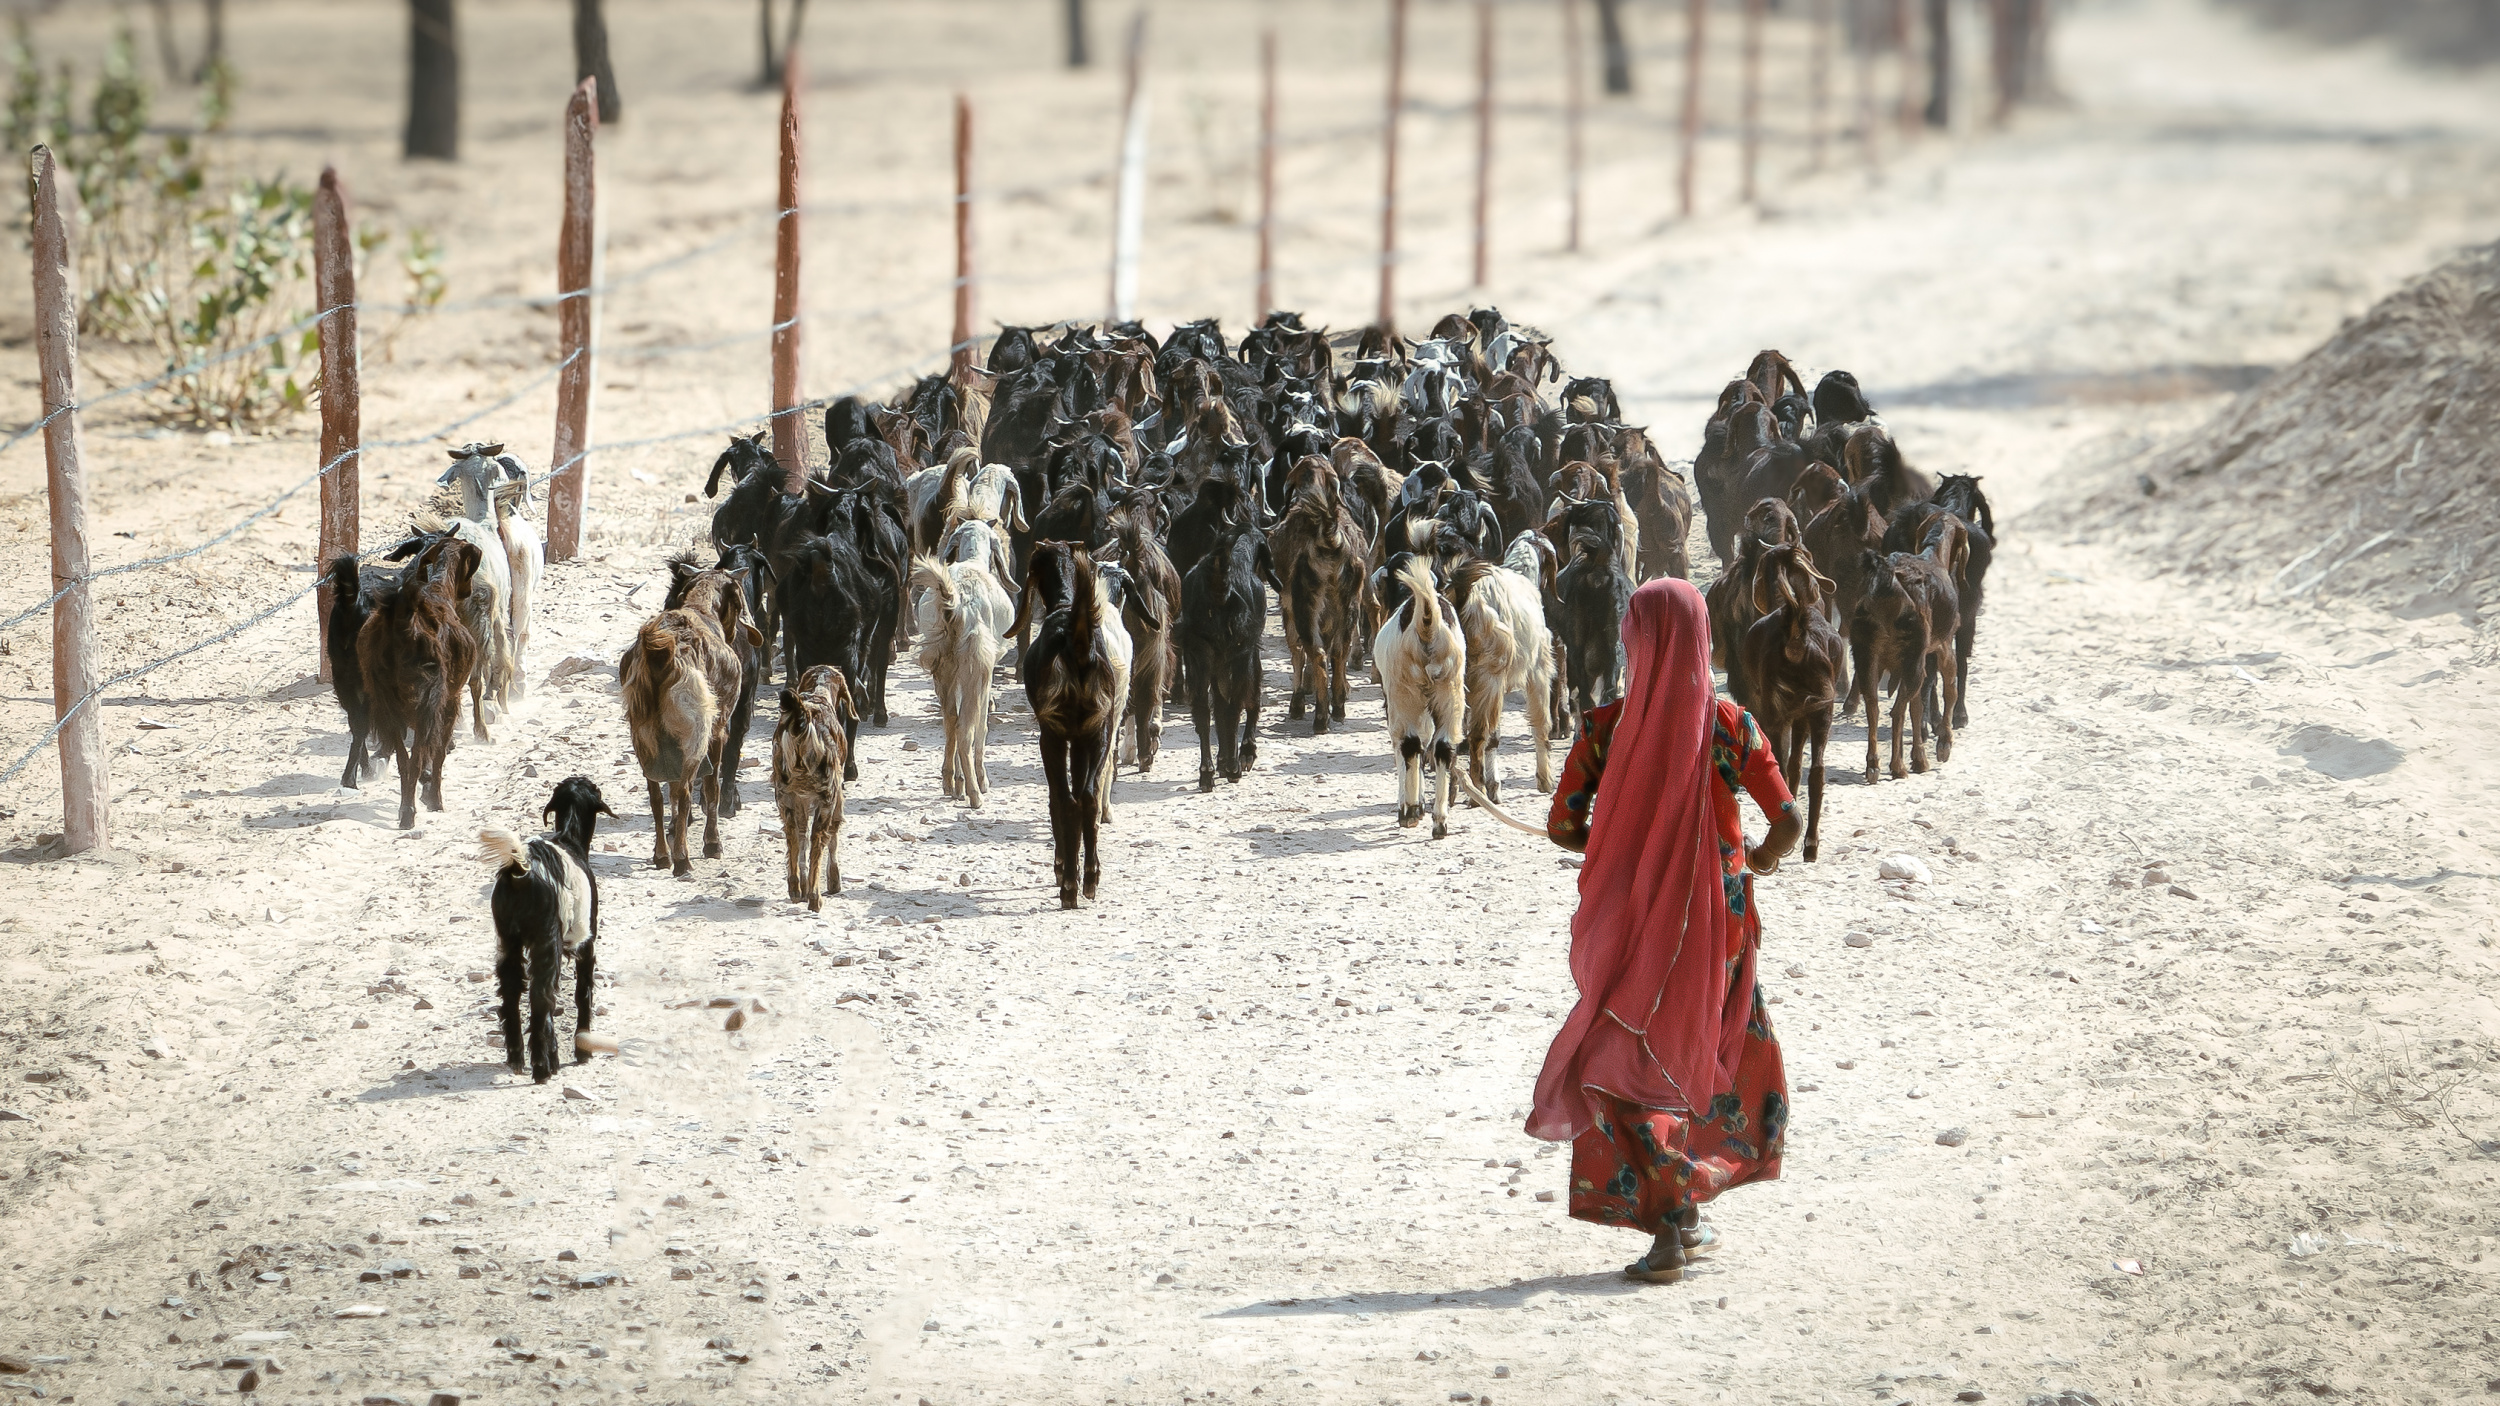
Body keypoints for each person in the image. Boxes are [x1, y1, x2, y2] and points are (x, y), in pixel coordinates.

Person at [1534, 577, 1804, 1283]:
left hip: (1636, 919)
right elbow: (1789, 820)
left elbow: (1563, 825)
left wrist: (1620, 848)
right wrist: (1758, 862)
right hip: (1723, 920)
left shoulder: (1605, 728)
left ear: (1637, 639)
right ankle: (1685, 1210)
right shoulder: (1730, 724)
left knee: (1625, 1057)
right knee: (1704, 1047)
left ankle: (1671, 1221)